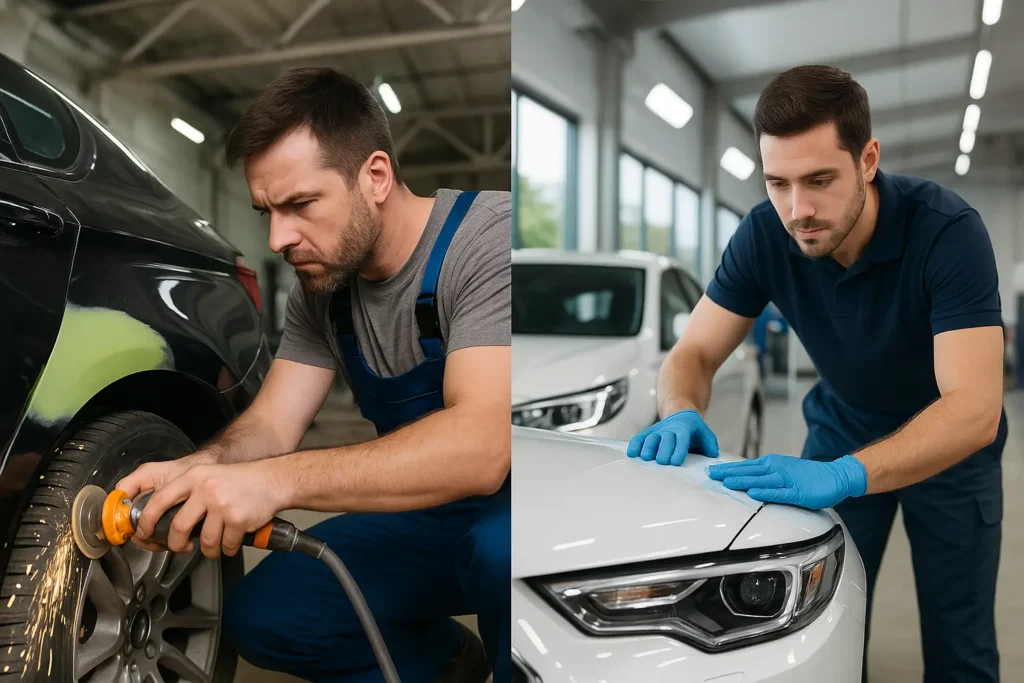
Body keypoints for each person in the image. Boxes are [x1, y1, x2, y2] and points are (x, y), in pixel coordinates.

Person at [116, 67, 511, 683]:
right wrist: (201, 468)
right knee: (268, 614)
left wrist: (274, 485)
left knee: (503, 553)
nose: (278, 238)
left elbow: (482, 448)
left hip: (515, 509)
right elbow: (274, 422)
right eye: (267, 211)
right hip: (424, 517)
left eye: (300, 205)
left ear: (374, 176)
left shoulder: (487, 243)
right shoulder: (323, 287)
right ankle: (447, 664)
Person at [629, 65, 1005, 683]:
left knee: (960, 647)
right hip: (843, 430)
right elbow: (692, 353)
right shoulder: (762, 235)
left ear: (868, 159)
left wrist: (846, 475)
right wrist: (680, 408)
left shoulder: (947, 233)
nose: (798, 209)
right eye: (777, 183)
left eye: (820, 180)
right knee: (821, 633)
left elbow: (974, 408)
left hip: (951, 454)